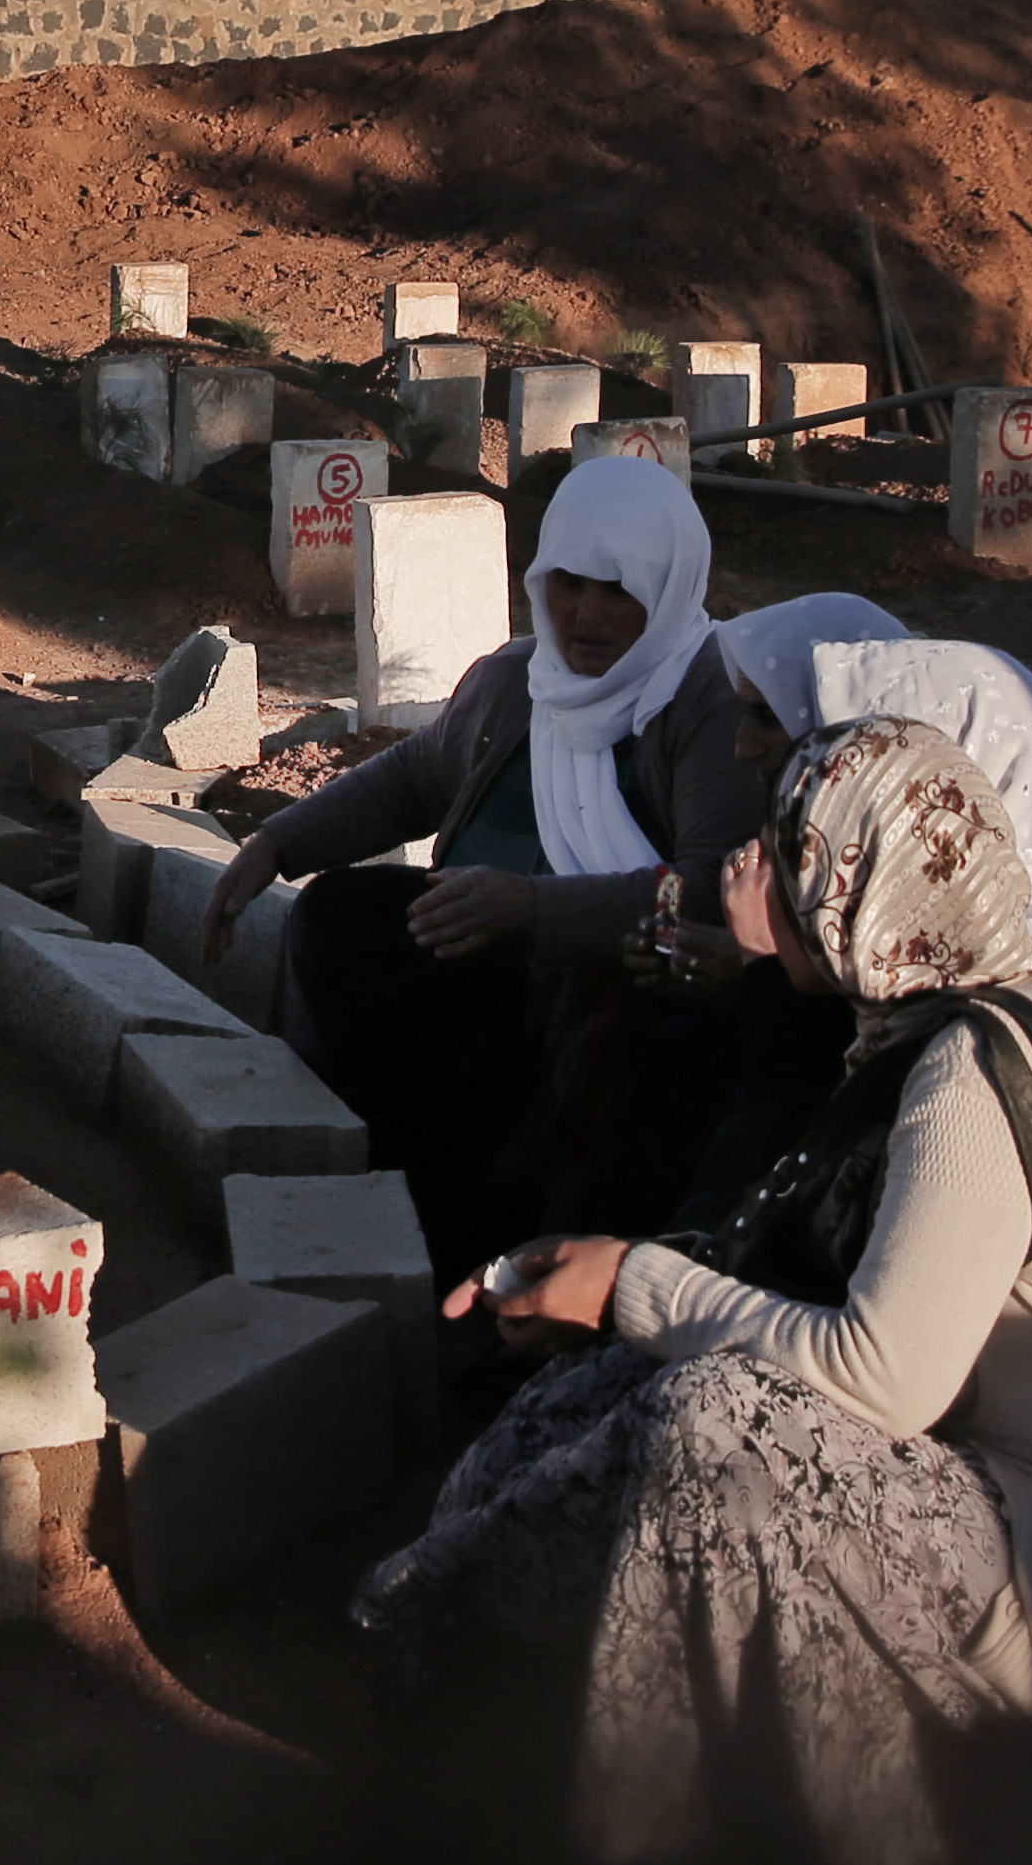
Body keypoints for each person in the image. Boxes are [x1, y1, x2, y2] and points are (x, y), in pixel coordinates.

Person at [351, 713, 1032, 1865]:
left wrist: (630, 1281)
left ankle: (677, 1864)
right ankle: (441, 1626)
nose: (740, 862)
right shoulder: (938, 1029)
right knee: (654, 1366)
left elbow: (882, 1375)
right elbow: (770, 1261)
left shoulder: (981, 1069)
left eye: (781, 845)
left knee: (723, 1422)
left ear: (852, 892)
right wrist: (600, 1280)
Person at [201, 454, 762, 1268]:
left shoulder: (707, 702)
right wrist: (278, 844)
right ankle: (381, 1192)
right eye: (569, 583)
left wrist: (534, 911)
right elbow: (414, 777)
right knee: (339, 921)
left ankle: (528, 1259)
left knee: (620, 1018)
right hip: (485, 962)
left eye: (618, 591)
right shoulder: (517, 681)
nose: (587, 615)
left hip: (620, 987)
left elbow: (707, 896)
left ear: (669, 588)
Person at [649, 600, 1032, 1173]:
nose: (741, 748)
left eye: (771, 718)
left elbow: (826, 1161)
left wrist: (769, 971)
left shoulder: (1008, 964)